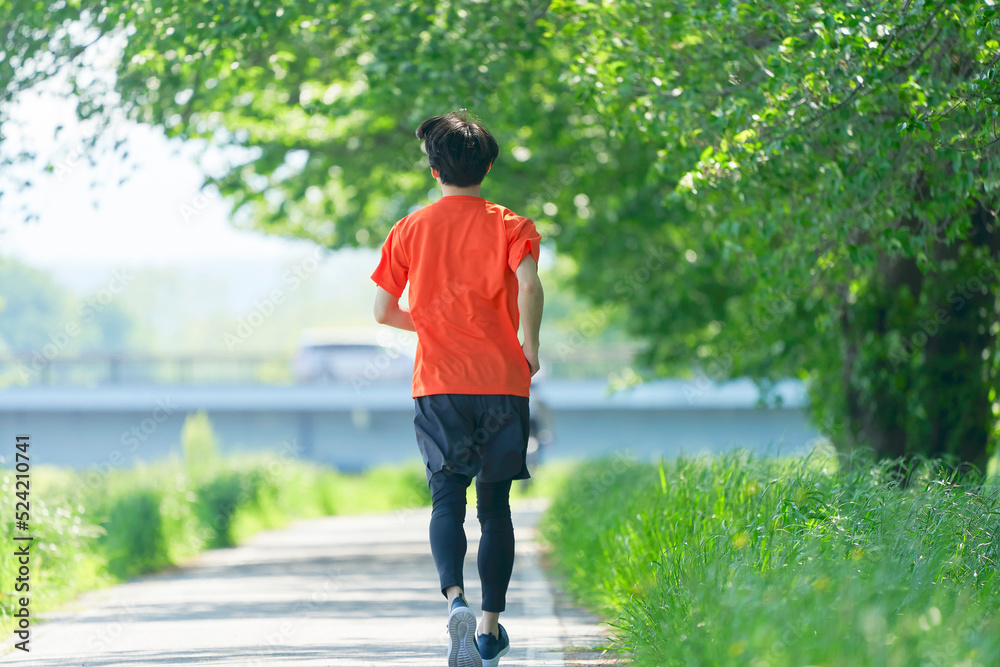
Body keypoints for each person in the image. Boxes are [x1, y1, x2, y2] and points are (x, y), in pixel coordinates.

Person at [370, 110, 544, 667]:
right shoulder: (512, 226)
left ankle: (455, 603)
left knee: (447, 500)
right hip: (502, 382)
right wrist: (529, 345)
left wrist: (438, 326)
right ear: (487, 167)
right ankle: (489, 631)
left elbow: (384, 311)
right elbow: (531, 282)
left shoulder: (410, 229)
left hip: (440, 384)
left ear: (433, 171)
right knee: (496, 509)